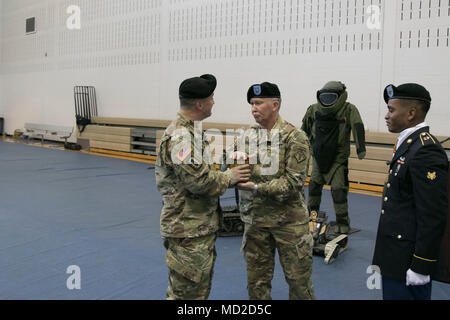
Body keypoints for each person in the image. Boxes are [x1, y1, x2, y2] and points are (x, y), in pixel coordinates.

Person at [155, 74, 251, 300]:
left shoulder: (189, 132)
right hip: (187, 230)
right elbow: (199, 182)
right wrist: (230, 176)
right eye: (211, 98)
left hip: (195, 226)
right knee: (187, 295)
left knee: (194, 292)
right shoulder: (182, 138)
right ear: (199, 104)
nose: (214, 102)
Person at [236, 82, 315, 300]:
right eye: (252, 103)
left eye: (259, 103)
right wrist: (231, 168)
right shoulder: (246, 136)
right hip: (256, 222)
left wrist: (256, 187)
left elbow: (293, 182)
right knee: (256, 285)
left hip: (288, 224)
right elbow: (231, 167)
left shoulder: (295, 137)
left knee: (299, 284)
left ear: (275, 105)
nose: (254, 108)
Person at [372, 83, 448, 300]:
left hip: (408, 260)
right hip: (395, 255)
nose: (387, 116)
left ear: (411, 113)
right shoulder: (410, 144)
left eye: (392, 110)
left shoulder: (425, 150)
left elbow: (433, 213)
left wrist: (421, 264)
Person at [301, 81, 366, 234]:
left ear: (341, 96)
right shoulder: (314, 109)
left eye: (331, 97)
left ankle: (343, 224)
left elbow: (358, 127)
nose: (327, 100)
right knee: (314, 189)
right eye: (325, 97)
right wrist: (302, 148)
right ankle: (312, 220)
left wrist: (360, 148)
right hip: (318, 158)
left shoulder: (348, 109)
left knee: (338, 191)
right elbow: (304, 129)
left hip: (338, 160)